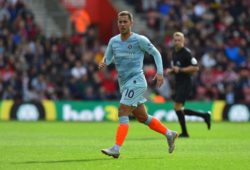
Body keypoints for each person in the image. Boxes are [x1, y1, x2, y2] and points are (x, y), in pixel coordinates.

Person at [99, 11, 178, 159]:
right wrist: (104, 62)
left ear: (131, 23)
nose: (122, 24)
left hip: (137, 81)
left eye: (125, 22)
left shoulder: (139, 40)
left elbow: (156, 53)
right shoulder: (113, 41)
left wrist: (160, 72)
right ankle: (169, 134)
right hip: (124, 83)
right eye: (120, 22)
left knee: (123, 110)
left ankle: (116, 149)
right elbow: (109, 57)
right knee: (142, 117)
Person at [166, 32, 211, 138]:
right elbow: (177, 68)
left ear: (183, 41)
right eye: (175, 40)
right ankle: (204, 115)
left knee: (177, 108)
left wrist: (180, 69)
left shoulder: (186, 53)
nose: (177, 42)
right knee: (179, 109)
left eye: (179, 40)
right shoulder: (174, 53)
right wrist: (172, 71)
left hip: (186, 83)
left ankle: (185, 132)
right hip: (179, 83)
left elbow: (195, 67)